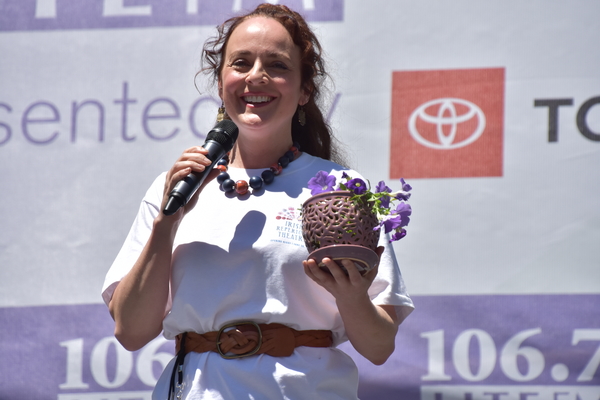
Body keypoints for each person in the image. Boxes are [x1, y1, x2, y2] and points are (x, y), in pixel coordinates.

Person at [102, 4, 413, 399]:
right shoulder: (176, 186)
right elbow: (130, 332)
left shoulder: (339, 190)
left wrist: (351, 295)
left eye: (278, 65)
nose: (256, 77)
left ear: (304, 90)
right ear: (221, 83)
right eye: (241, 63)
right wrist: (167, 224)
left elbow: (379, 347)